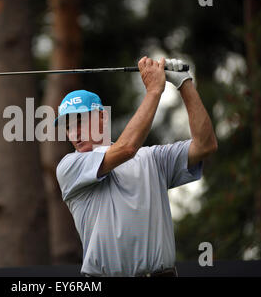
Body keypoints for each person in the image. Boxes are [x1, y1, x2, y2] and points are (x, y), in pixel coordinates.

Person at [55, 57, 218, 277]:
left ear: (102, 117)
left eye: (79, 121)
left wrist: (184, 84)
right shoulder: (69, 167)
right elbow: (127, 148)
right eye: (67, 126)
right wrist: (153, 92)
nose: (73, 132)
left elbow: (205, 145)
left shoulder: (152, 158)